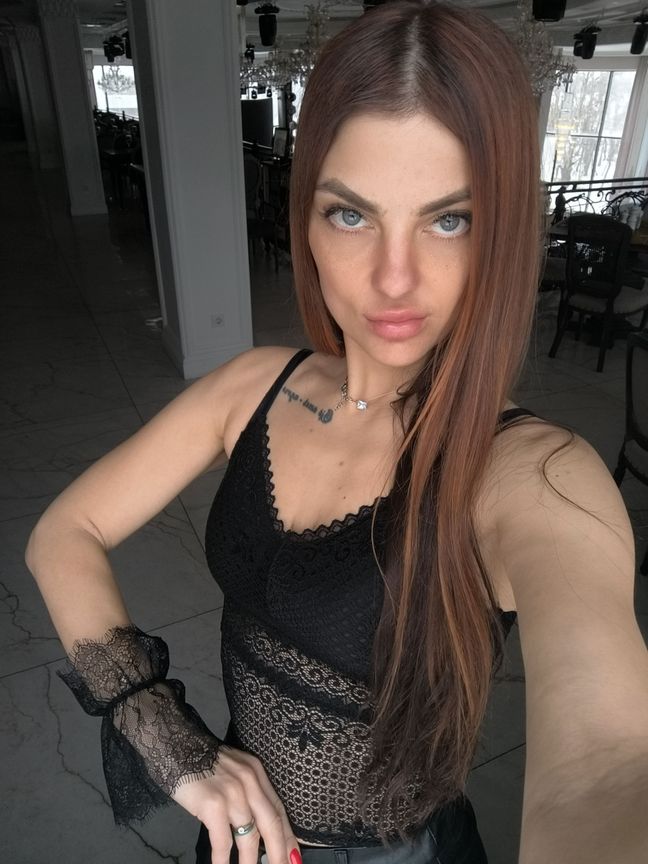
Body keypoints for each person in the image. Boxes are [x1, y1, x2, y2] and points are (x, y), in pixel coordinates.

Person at [25, 2, 648, 863]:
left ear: (500, 233)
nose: (394, 278)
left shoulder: (536, 474)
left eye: (450, 219)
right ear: (307, 221)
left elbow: (608, 762)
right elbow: (65, 531)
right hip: (237, 842)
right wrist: (168, 740)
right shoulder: (254, 384)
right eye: (351, 215)